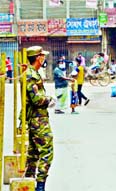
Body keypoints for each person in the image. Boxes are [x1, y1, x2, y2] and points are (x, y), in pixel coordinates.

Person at [22, 46, 55, 191]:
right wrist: (49, 100)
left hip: (37, 118)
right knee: (47, 151)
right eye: (42, 56)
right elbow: (36, 99)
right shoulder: (31, 75)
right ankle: (40, 186)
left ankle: (28, 182)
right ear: (38, 58)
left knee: (34, 153)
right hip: (38, 120)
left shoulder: (32, 73)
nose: (44, 59)